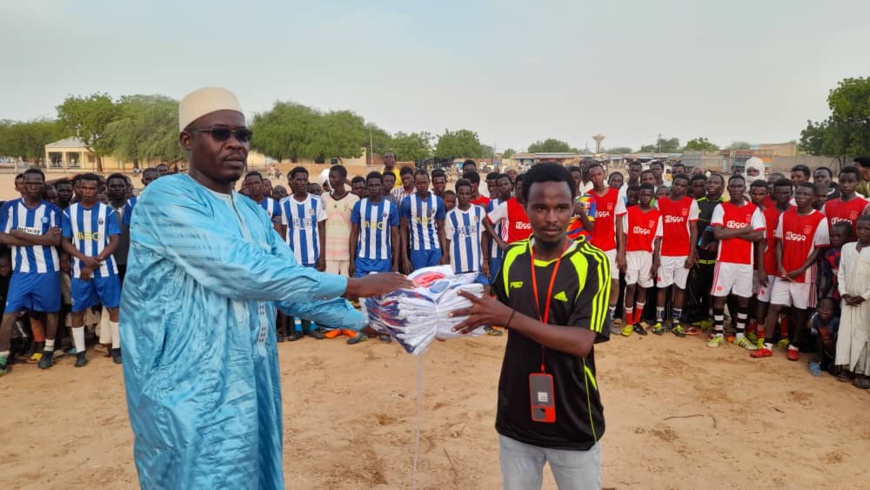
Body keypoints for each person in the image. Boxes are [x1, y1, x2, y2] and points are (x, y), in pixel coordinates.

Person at [121, 88, 410, 489]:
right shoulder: (166, 198)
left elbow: (286, 286)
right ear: (187, 140)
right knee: (194, 475)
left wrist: (364, 321)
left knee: (252, 470)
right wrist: (354, 284)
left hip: (250, 372)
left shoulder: (252, 212)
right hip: (185, 380)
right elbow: (243, 270)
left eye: (242, 135)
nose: (235, 144)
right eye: (220, 133)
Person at [450, 163, 611, 490]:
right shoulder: (513, 256)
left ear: (573, 208)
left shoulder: (593, 262)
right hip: (517, 414)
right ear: (524, 208)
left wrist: (508, 318)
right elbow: (491, 303)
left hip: (573, 416)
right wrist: (434, 309)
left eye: (561, 208)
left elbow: (581, 342)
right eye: (540, 208)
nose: (551, 218)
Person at [753, 183, 829, 360]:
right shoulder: (785, 216)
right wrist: (781, 266)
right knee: (774, 306)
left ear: (813, 197)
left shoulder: (820, 219)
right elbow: (779, 243)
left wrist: (801, 269)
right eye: (799, 194)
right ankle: (767, 345)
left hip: (804, 275)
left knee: (799, 310)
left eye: (806, 194)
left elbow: (818, 249)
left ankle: (794, 345)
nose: (801, 197)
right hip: (784, 272)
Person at [0, 169, 62, 375]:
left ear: (43, 185)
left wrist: (20, 234)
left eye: (38, 183)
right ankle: (2, 357)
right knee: (9, 314)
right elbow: (3, 237)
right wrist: (41, 239)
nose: (33, 187)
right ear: (22, 185)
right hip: (21, 272)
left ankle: (48, 351)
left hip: (48, 270)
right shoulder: (10, 208)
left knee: (52, 311)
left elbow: (55, 241)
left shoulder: (52, 210)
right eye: (29, 183)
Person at [62, 173, 122, 368]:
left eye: (92, 188)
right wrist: (84, 260)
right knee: (78, 310)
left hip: (106, 269)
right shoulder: (69, 213)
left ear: (99, 190)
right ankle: (80, 352)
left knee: (113, 308)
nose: (88, 191)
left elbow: (114, 241)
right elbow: (66, 242)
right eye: (84, 188)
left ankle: (116, 348)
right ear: (78, 189)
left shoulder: (108, 212)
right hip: (80, 271)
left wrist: (95, 261)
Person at [707, 175, 766, 349]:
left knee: (743, 298)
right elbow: (718, 234)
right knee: (720, 296)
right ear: (728, 188)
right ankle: (718, 333)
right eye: (732, 186)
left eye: (739, 186)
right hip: (724, 260)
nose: (736, 189)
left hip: (745, 262)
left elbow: (759, 235)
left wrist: (730, 231)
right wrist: (744, 230)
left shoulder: (753, 210)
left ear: (744, 188)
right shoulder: (721, 208)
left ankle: (740, 334)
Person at [348, 172, 401, 344]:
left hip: (383, 259)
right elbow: (354, 233)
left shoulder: (390, 207)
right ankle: (366, 329)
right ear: (366, 187)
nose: (374, 188)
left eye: (377, 185)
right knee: (363, 297)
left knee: (382, 296)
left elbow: (395, 235)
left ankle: (383, 329)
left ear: (381, 186)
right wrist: (351, 260)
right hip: (363, 258)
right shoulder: (359, 205)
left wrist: (395, 262)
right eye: (370, 185)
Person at [281, 166, 328, 340]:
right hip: (293, 258)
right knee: (296, 292)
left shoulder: (316, 201)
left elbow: (321, 228)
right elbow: (283, 231)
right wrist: (284, 257)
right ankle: (298, 328)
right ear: (292, 181)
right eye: (298, 179)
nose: (302, 183)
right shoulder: (284, 203)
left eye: (304, 179)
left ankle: (312, 326)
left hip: (313, 255)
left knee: (312, 292)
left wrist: (322, 256)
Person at [652, 174, 698, 335]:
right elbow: (657, 232)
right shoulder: (659, 203)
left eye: (683, 185)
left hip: (683, 253)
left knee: (680, 288)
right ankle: (659, 321)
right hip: (664, 252)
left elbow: (693, 230)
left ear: (686, 188)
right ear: (672, 184)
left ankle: (676, 322)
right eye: (677, 184)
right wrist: (656, 255)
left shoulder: (691, 203)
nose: (679, 187)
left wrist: (691, 254)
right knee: (662, 287)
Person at [754, 179, 794, 343]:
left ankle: (783, 333)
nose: (782, 195)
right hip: (769, 264)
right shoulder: (766, 214)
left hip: (789, 265)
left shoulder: (797, 211)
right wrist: (761, 269)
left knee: (785, 303)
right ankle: (760, 330)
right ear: (773, 193)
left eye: (786, 192)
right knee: (763, 300)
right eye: (779, 192)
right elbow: (761, 242)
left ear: (791, 193)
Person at [618, 183, 661, 336]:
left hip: (647, 256)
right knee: (630, 287)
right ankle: (629, 322)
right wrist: (622, 255)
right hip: (631, 254)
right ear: (638, 195)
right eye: (642, 194)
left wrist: (655, 261)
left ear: (652, 196)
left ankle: (637, 320)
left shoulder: (657, 215)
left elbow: (657, 240)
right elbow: (623, 234)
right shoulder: (629, 212)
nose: (645, 197)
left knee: (643, 288)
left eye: (648, 195)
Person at [587, 164, 626, 330]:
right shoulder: (587, 197)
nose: (597, 177)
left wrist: (621, 251)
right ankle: (592, 319)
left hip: (610, 247)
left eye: (599, 174)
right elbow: (585, 225)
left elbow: (619, 224)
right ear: (589, 178)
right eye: (593, 175)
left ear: (604, 175)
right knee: (593, 284)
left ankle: (609, 319)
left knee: (614, 282)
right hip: (591, 247)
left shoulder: (615, 195)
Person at [836, 214, 870, 388]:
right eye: (859, 228)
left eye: (867, 229)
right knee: (846, 334)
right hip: (848, 300)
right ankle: (846, 368)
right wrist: (843, 293)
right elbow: (841, 273)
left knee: (862, 335)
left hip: (865, 303)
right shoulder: (847, 248)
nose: (862, 232)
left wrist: (863, 296)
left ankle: (861, 371)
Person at [443, 179, 490, 284]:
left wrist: (485, 260)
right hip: (458, 266)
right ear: (457, 195)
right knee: (461, 292)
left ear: (471, 194)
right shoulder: (450, 215)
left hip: (477, 264)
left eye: (467, 193)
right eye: (461, 193)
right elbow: (448, 241)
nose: (464, 196)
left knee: (485, 288)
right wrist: (447, 261)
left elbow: (483, 237)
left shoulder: (479, 211)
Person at [400, 169, 447, 273]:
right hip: (417, 250)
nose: (422, 186)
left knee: (435, 280)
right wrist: (404, 257)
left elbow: (441, 229)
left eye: (424, 182)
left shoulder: (438, 201)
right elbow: (403, 230)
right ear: (414, 183)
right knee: (419, 280)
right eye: (419, 183)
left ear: (429, 182)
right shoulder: (407, 202)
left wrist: (445, 253)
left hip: (435, 249)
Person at [320, 165, 359, 278]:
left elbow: (355, 230)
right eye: (329, 177)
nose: (331, 180)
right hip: (328, 254)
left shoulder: (354, 199)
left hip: (346, 254)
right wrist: (321, 256)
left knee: (347, 286)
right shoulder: (323, 197)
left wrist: (352, 259)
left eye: (334, 177)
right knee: (329, 286)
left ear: (343, 179)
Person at [823, 166, 870, 237]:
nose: (845, 185)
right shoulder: (828, 205)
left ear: (858, 182)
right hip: (831, 244)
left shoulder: (865, 206)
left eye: (850, 182)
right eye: (842, 181)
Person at [486, 174, 512, 283]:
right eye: (501, 185)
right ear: (497, 188)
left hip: (512, 247)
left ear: (512, 185)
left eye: (506, 184)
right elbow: (487, 227)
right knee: (495, 280)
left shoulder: (517, 203)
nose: (504, 187)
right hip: (496, 249)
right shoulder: (492, 204)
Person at [807, 297, 840, 377]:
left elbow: (839, 343)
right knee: (812, 360)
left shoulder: (836, 322)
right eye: (822, 307)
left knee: (834, 371)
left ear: (834, 310)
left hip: (837, 353)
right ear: (817, 308)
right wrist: (820, 358)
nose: (824, 310)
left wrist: (836, 361)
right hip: (826, 351)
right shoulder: (816, 319)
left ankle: (834, 364)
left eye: (829, 308)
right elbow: (818, 339)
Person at [819, 221, 851, 300]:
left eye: (839, 236)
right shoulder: (829, 254)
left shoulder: (852, 252)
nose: (835, 239)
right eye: (832, 236)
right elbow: (829, 276)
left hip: (851, 288)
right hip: (836, 288)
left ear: (849, 237)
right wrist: (823, 296)